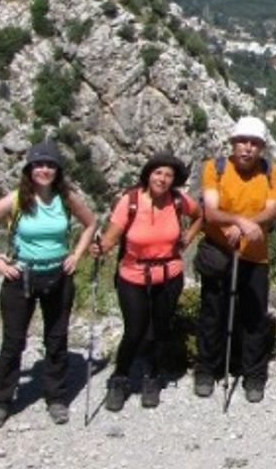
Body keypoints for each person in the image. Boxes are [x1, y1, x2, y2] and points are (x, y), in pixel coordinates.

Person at [0, 141, 98, 426]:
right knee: (14, 342)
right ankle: (1, 400)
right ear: (29, 169)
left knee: (56, 339)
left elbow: (91, 223)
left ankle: (56, 397)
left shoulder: (66, 199)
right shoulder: (17, 199)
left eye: (50, 165)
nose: (44, 169)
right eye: (39, 164)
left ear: (57, 170)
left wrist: (76, 254)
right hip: (20, 277)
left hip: (58, 276)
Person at [94, 152, 202, 411]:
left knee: (160, 330)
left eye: (168, 175)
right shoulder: (129, 202)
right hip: (133, 276)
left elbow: (200, 214)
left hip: (169, 275)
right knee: (135, 330)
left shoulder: (178, 200)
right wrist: (100, 248)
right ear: (148, 174)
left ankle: (151, 377)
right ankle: (119, 378)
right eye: (158, 173)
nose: (163, 179)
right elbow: (111, 238)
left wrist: (188, 236)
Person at [193, 116, 276, 403]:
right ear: (232, 144)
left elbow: (270, 210)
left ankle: (253, 375)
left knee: (254, 317)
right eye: (243, 141)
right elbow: (211, 211)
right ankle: (208, 369)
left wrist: (243, 224)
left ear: (262, 149)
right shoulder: (215, 168)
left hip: (254, 256)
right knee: (213, 312)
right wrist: (242, 223)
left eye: (255, 143)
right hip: (220, 251)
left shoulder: (270, 171)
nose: (248, 148)